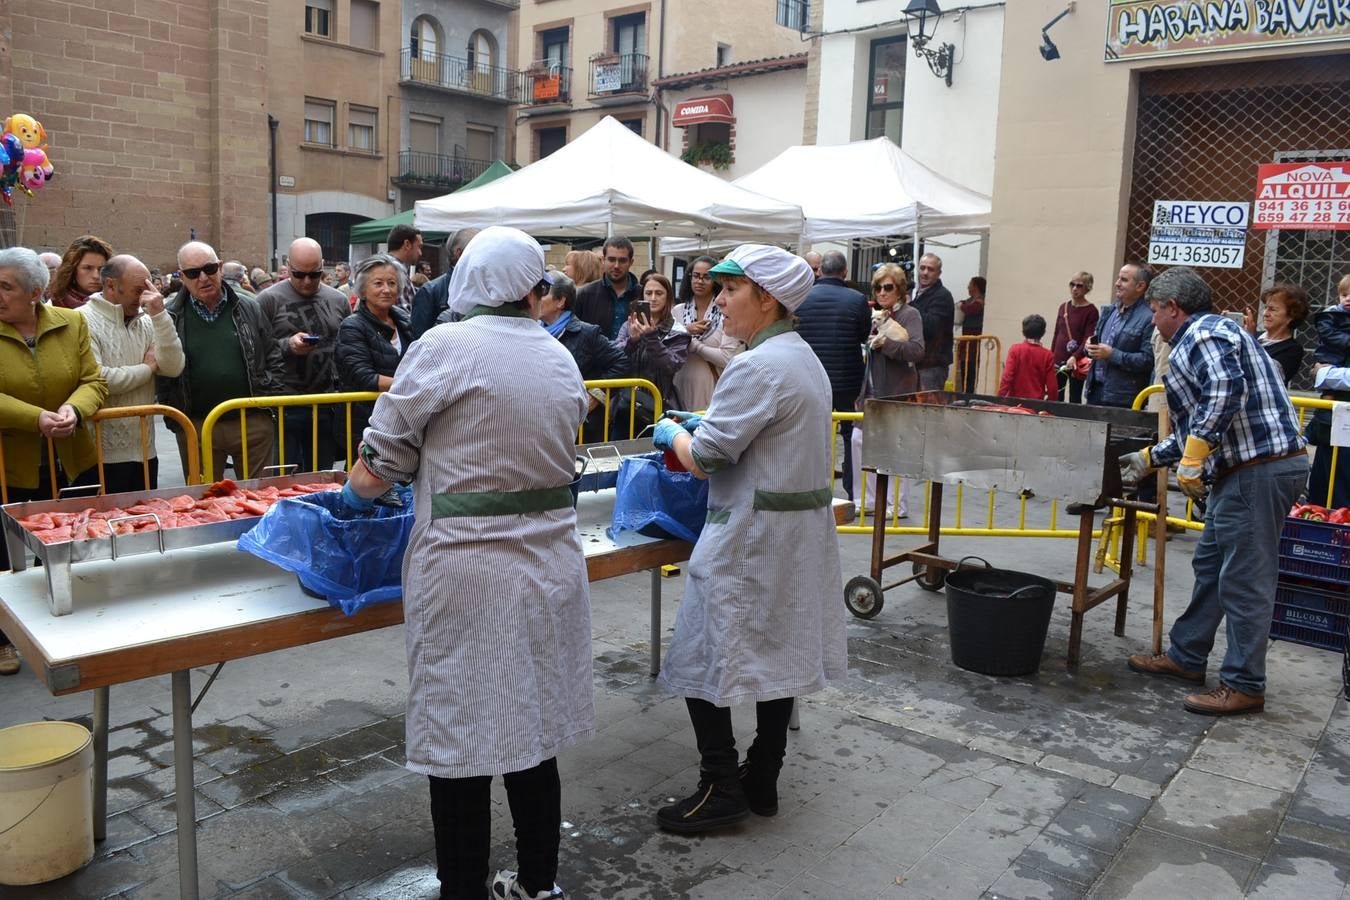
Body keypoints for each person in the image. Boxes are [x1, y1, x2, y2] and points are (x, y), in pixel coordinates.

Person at [341, 226, 592, 900]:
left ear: (470, 281)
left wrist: (357, 491)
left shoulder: (443, 347)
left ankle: (462, 891)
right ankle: (539, 884)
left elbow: (381, 459)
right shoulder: (556, 354)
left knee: (461, 739)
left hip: (466, 574)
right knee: (531, 729)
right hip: (548, 566)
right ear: (527, 285)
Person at [651, 243, 846, 834]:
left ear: (767, 299)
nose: (721, 301)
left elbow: (707, 459)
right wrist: (703, 422)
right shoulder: (800, 357)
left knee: (703, 651)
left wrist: (671, 433)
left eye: (731, 290)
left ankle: (722, 783)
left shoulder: (756, 365)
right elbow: (758, 433)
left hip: (750, 538)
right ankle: (763, 775)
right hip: (792, 536)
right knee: (777, 651)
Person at [1123, 267, 1307, 717]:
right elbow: (1196, 426)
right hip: (1246, 470)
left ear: (1173, 308)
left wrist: (1193, 455)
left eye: (1154, 311)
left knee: (1244, 580)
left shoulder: (1203, 332)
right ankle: (1187, 656)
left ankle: (1244, 683)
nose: (1152, 322)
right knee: (1211, 566)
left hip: (1259, 470)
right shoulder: (1212, 332)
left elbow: (1225, 391)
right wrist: (1152, 458)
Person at [0, 247, 109, 674]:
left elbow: (93, 381)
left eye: (6, 287)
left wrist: (74, 410)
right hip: (11, 465)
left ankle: (71, 628)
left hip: (68, 459)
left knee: (68, 545)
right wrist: (35, 419)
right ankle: (5, 639)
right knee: (6, 556)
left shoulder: (72, 321)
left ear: (34, 292)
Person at [157, 241, 283, 481]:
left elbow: (273, 354)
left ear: (221, 268)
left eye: (210, 268)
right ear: (182, 277)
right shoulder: (170, 315)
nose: (203, 277)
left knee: (260, 499)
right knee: (205, 503)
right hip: (197, 426)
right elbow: (163, 374)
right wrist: (177, 422)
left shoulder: (249, 307)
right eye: (194, 273)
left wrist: (267, 410)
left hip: (252, 423)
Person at [78, 254, 185, 494]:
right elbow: (99, 378)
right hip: (100, 453)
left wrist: (159, 316)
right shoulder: (82, 320)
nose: (146, 296)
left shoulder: (147, 321)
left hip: (146, 450)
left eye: (149, 287)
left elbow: (174, 366)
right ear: (110, 286)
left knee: (145, 522)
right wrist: (146, 369)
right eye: (139, 290)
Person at [255, 237, 351, 471]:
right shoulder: (268, 300)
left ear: (323, 266)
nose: (307, 281)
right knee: (284, 477)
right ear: (288, 266)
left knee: (322, 475)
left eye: (315, 274)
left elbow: (348, 346)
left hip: (325, 403)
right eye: (299, 275)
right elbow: (255, 351)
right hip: (283, 405)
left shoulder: (338, 299)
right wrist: (288, 345)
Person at [795, 250, 870, 502]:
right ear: (845, 271)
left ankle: (811, 488)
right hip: (847, 379)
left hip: (811, 377)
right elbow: (863, 335)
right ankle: (852, 491)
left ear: (821, 270)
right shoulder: (858, 299)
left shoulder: (802, 297)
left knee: (811, 432)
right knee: (849, 433)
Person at [853, 263, 924, 520]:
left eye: (888, 287)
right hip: (871, 389)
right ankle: (869, 499)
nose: (882, 293)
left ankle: (898, 503)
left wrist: (887, 345)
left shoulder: (910, 315)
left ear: (899, 289)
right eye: (877, 288)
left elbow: (917, 350)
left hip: (897, 392)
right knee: (858, 440)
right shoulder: (875, 315)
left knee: (896, 446)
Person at [335, 254, 412, 459]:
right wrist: (412, 385)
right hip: (365, 423)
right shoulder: (352, 326)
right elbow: (364, 377)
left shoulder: (404, 320)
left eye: (392, 283)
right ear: (363, 290)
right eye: (378, 283)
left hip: (401, 420)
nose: (386, 289)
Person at [539, 273, 627, 442]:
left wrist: (596, 394)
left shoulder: (587, 333)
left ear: (560, 301)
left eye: (543, 293)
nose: (536, 298)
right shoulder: (532, 331)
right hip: (544, 422)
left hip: (580, 428)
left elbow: (621, 362)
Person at [610, 273, 690, 435]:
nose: (653, 298)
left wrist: (652, 338)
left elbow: (672, 364)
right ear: (642, 296)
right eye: (648, 293)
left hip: (659, 405)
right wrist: (632, 341)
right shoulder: (630, 324)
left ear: (668, 298)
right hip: (626, 403)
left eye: (659, 293)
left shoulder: (678, 331)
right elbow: (615, 358)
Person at [671, 255, 741, 413]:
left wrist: (694, 344)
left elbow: (726, 358)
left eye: (706, 277)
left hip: (711, 385)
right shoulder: (677, 311)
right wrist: (686, 330)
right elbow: (667, 347)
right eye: (696, 276)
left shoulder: (725, 312)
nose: (700, 281)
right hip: (679, 382)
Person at [1305, 273, 1350, 508]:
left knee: (1341, 489)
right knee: (1322, 486)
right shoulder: (1335, 317)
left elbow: (1326, 374)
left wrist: (1323, 374)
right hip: (1332, 421)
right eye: (1344, 294)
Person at [1085, 263, 1155, 408]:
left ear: (1140, 286)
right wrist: (1089, 347)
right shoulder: (1110, 310)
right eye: (1118, 278)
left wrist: (1112, 354)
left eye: (1123, 280)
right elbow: (1097, 342)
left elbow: (1147, 360)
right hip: (1095, 391)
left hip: (1122, 398)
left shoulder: (1149, 317)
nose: (1117, 283)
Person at [410, 228, 478, 339]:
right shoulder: (430, 291)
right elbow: (420, 340)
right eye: (478, 249)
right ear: (460, 254)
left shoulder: (486, 287)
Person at [575, 236, 640, 339]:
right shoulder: (585, 294)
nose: (616, 266)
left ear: (631, 262)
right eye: (611, 259)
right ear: (603, 260)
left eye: (622, 260)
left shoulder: (643, 294)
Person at [1243, 283, 1307, 386]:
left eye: (1272, 309)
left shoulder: (1292, 349)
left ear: (1291, 315)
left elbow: (1266, 375)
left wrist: (1249, 340)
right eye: (1266, 308)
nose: (1265, 314)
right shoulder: (1253, 336)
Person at [1051, 272, 1100, 404]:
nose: (1074, 288)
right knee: (1056, 395)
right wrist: (1051, 355)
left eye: (1079, 286)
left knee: (1075, 396)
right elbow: (1057, 333)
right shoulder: (1063, 307)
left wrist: (1075, 356)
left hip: (1077, 362)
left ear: (1087, 289)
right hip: (1059, 358)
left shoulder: (1091, 311)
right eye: (1072, 284)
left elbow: (1088, 337)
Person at [911, 253, 955, 391]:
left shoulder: (942, 296)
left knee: (927, 409)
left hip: (932, 366)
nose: (925, 273)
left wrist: (911, 306)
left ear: (939, 273)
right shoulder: (918, 292)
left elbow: (932, 327)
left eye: (930, 269)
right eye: (922, 268)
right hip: (918, 363)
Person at [998, 314, 1058, 401]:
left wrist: (1000, 398)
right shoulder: (1047, 355)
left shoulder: (1015, 350)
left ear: (1023, 332)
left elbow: (1007, 377)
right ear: (1043, 333)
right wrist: (1051, 404)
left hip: (1014, 402)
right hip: (1036, 404)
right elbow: (1052, 387)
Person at [49, 234, 114, 310]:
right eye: (87, 268)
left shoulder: (117, 303)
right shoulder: (52, 304)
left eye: (101, 269)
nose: (96, 276)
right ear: (72, 269)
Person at [956, 276, 986, 393]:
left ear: (976, 287)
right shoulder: (970, 300)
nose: (968, 287)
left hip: (973, 343)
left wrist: (961, 306)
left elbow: (971, 309)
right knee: (965, 369)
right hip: (966, 342)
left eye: (970, 284)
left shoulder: (980, 301)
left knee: (971, 371)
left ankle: (969, 394)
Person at [387, 223, 423, 310]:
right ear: (407, 244)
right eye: (419, 247)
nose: (420, 253)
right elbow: (404, 316)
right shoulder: (395, 270)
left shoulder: (387, 266)